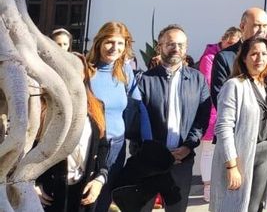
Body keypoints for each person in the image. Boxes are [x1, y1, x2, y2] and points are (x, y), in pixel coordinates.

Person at [137, 24, 211, 212]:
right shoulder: (145, 80)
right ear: (159, 47)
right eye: (170, 44)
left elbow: (202, 117)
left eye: (180, 45)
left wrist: (188, 146)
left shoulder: (198, 80)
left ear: (186, 48)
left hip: (182, 160)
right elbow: (138, 120)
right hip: (150, 162)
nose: (176, 49)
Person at [210, 37, 267, 212]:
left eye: (264, 54)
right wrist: (232, 166)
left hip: (265, 153)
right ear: (244, 58)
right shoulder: (234, 86)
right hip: (241, 156)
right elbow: (224, 128)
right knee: (234, 206)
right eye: (254, 54)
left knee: (255, 206)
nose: (259, 58)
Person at [85, 21, 151, 212]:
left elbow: (140, 107)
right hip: (91, 148)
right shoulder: (85, 70)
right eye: (109, 42)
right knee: (86, 198)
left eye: (120, 43)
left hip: (116, 147)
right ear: (99, 43)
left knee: (104, 199)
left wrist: (147, 142)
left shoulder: (124, 71)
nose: (115, 48)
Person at [36, 53, 110, 212]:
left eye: (77, 69)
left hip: (84, 192)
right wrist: (31, 184)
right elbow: (29, 147)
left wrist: (100, 178)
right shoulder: (42, 106)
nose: (72, 75)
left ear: (84, 73)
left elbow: (103, 145)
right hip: (50, 192)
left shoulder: (97, 107)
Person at [199, 26, 242, 202]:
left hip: (227, 110)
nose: (230, 46)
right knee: (208, 150)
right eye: (229, 42)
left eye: (234, 43)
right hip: (211, 109)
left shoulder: (237, 57)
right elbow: (210, 83)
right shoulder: (210, 57)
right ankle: (207, 186)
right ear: (223, 40)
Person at [212, 8, 267, 101]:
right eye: (257, 25)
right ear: (242, 26)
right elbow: (219, 97)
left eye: (265, 26)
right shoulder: (225, 57)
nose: (261, 30)